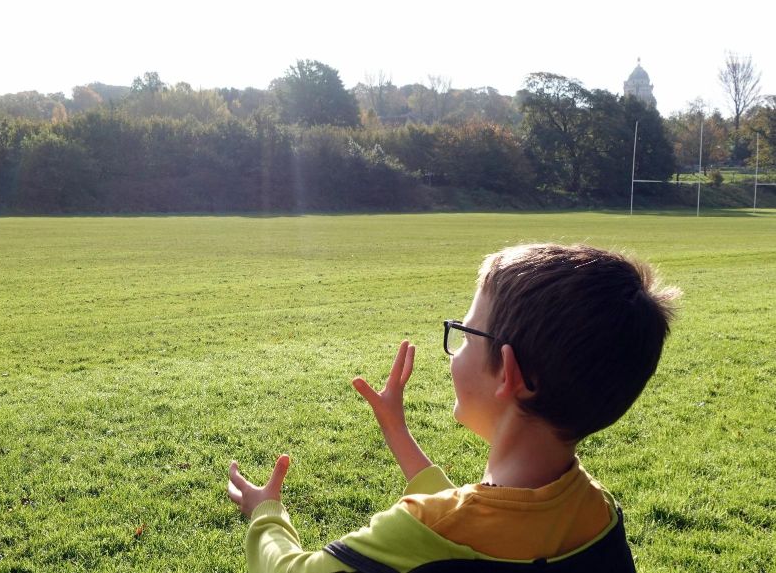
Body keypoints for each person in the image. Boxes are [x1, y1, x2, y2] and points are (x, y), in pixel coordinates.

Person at [227, 243, 680, 572]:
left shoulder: (422, 531)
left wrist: (267, 513)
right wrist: (398, 434)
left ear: (509, 374)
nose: (456, 351)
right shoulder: (596, 512)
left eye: (465, 335)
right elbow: (485, 521)